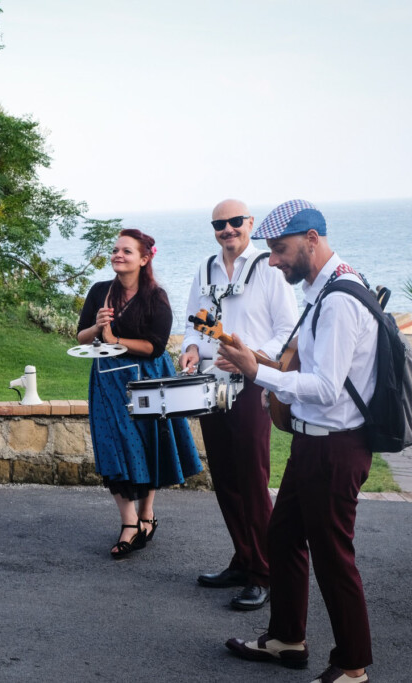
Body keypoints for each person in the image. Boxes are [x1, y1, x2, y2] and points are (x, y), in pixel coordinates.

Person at [219, 200, 377, 683]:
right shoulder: (324, 287)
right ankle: (287, 638)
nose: (272, 261)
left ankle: (352, 666)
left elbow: (327, 387)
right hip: (314, 443)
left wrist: (257, 374)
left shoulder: (339, 301)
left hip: (335, 446)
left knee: (333, 557)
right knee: (283, 536)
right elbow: (306, 368)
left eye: (280, 250)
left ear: (311, 238)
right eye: (269, 252)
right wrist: (261, 362)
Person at [181, 200, 297, 610]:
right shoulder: (204, 268)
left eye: (234, 222)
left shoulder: (269, 267)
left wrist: (253, 359)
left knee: (251, 478)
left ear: (249, 223)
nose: (227, 229)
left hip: (248, 384)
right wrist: (192, 348)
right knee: (226, 479)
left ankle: (265, 572)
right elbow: (194, 321)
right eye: (219, 224)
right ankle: (243, 559)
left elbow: (287, 328)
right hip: (210, 383)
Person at [76, 229, 202, 559]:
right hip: (107, 379)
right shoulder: (100, 291)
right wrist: (97, 326)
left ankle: (146, 514)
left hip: (148, 378)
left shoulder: (155, 297)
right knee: (114, 445)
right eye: (116, 250)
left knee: (148, 444)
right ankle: (129, 522)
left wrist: (115, 339)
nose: (118, 255)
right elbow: (82, 337)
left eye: (126, 251)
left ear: (144, 259)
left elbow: (154, 346)